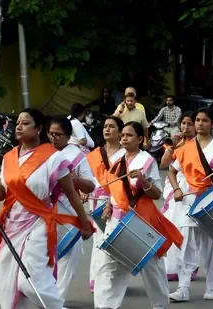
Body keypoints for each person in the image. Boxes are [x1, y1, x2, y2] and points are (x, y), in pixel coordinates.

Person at [0, 108, 93, 309]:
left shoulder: (53, 158)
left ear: (39, 128)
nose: (19, 126)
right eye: (17, 122)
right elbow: (2, 191)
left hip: (39, 225)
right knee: (7, 285)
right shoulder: (9, 157)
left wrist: (85, 224)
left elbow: (71, 194)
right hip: (10, 226)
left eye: (25, 123)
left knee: (30, 283)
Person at [94, 121, 183, 309]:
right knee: (109, 265)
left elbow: (157, 193)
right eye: (123, 135)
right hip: (116, 219)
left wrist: (142, 180)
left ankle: (160, 304)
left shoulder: (147, 161)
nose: (124, 138)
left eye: (129, 135)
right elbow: (114, 188)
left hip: (139, 219)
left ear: (140, 139)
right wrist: (109, 205)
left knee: (151, 266)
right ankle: (106, 306)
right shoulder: (118, 160)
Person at [168, 107, 213, 302]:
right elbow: (172, 171)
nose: (200, 123)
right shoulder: (185, 147)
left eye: (204, 120)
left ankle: (212, 286)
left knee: (212, 246)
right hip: (189, 200)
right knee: (187, 246)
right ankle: (183, 288)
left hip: (211, 200)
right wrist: (176, 189)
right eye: (197, 120)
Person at [48, 116, 96, 302]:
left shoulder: (76, 157)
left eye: (58, 134)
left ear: (68, 136)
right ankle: (47, 297)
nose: (54, 138)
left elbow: (90, 186)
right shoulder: (43, 153)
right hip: (45, 213)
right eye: (51, 134)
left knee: (68, 256)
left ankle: (57, 300)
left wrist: (75, 180)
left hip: (69, 213)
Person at [85, 116, 126, 293]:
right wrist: (83, 188)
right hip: (96, 201)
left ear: (120, 131)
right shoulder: (93, 155)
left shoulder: (126, 155)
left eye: (112, 126)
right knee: (98, 239)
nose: (107, 129)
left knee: (112, 240)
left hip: (117, 202)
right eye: (105, 126)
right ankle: (96, 278)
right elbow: (85, 176)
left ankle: (110, 278)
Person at [160, 111, 199, 281]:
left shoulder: (200, 144)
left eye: (189, 124)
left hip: (190, 187)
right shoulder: (177, 142)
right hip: (174, 185)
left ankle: (189, 264)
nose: (185, 127)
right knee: (171, 224)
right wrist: (172, 147)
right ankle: (172, 267)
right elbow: (163, 164)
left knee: (186, 228)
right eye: (183, 123)